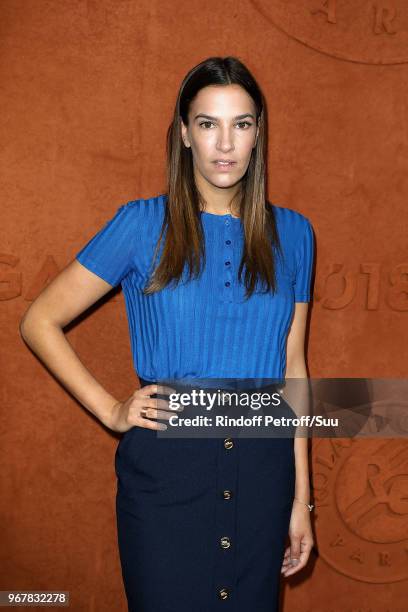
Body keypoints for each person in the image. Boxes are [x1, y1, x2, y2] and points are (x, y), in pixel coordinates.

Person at [20, 56, 315, 611]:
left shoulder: (295, 234)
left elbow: (294, 369)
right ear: (184, 133)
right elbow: (39, 320)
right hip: (166, 478)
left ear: (258, 135)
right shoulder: (139, 223)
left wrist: (301, 500)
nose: (225, 143)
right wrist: (110, 410)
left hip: (263, 476)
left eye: (242, 124)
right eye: (208, 123)